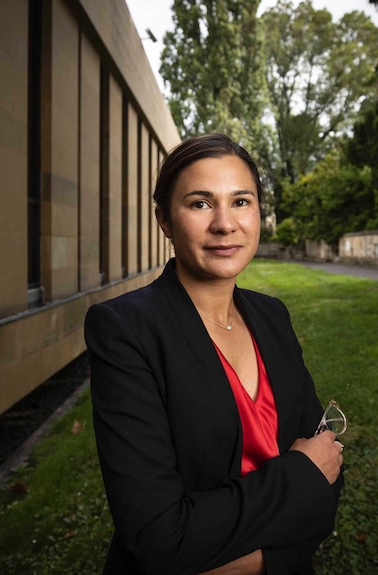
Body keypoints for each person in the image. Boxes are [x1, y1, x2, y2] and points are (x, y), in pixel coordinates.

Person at [84, 134, 344, 575]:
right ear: (164, 219)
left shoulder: (272, 315)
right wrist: (297, 485)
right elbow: (158, 539)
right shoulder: (125, 329)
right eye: (200, 204)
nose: (225, 224)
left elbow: (331, 473)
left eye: (241, 201)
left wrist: (311, 481)